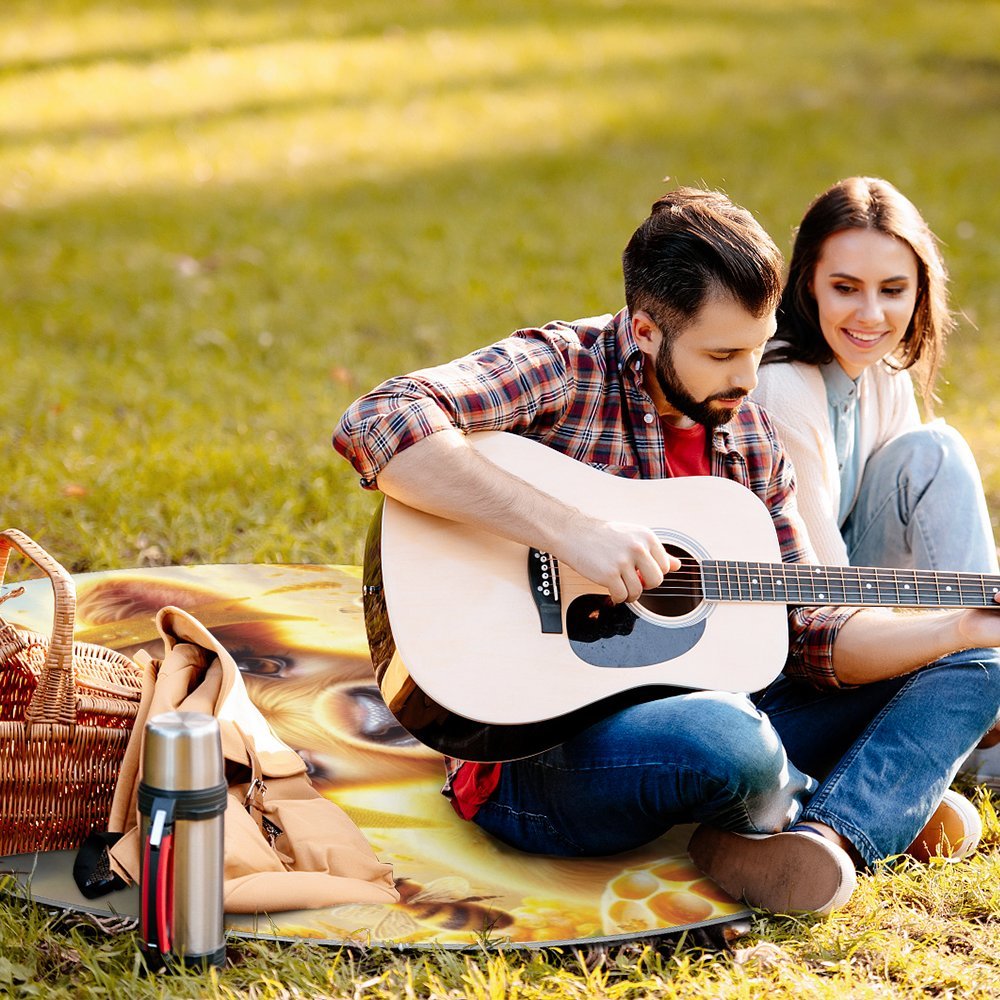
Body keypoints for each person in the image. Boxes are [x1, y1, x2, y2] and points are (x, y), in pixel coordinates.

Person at [333, 187, 1000, 916]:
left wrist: (956, 628)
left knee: (980, 665)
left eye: (757, 346)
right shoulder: (564, 367)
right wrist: (569, 531)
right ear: (646, 330)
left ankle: (829, 836)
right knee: (729, 741)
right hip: (538, 756)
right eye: (722, 354)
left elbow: (809, 629)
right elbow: (380, 419)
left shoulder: (748, 435)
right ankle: (859, 796)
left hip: (725, 710)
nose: (748, 380)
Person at [753, 176, 1000, 788]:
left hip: (861, 615)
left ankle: (978, 695)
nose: (871, 315)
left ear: (920, 291)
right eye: (845, 288)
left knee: (931, 451)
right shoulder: (783, 386)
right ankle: (977, 727)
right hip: (795, 650)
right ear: (807, 281)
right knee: (937, 451)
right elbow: (824, 603)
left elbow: (919, 545)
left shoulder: (882, 370)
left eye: (893, 290)